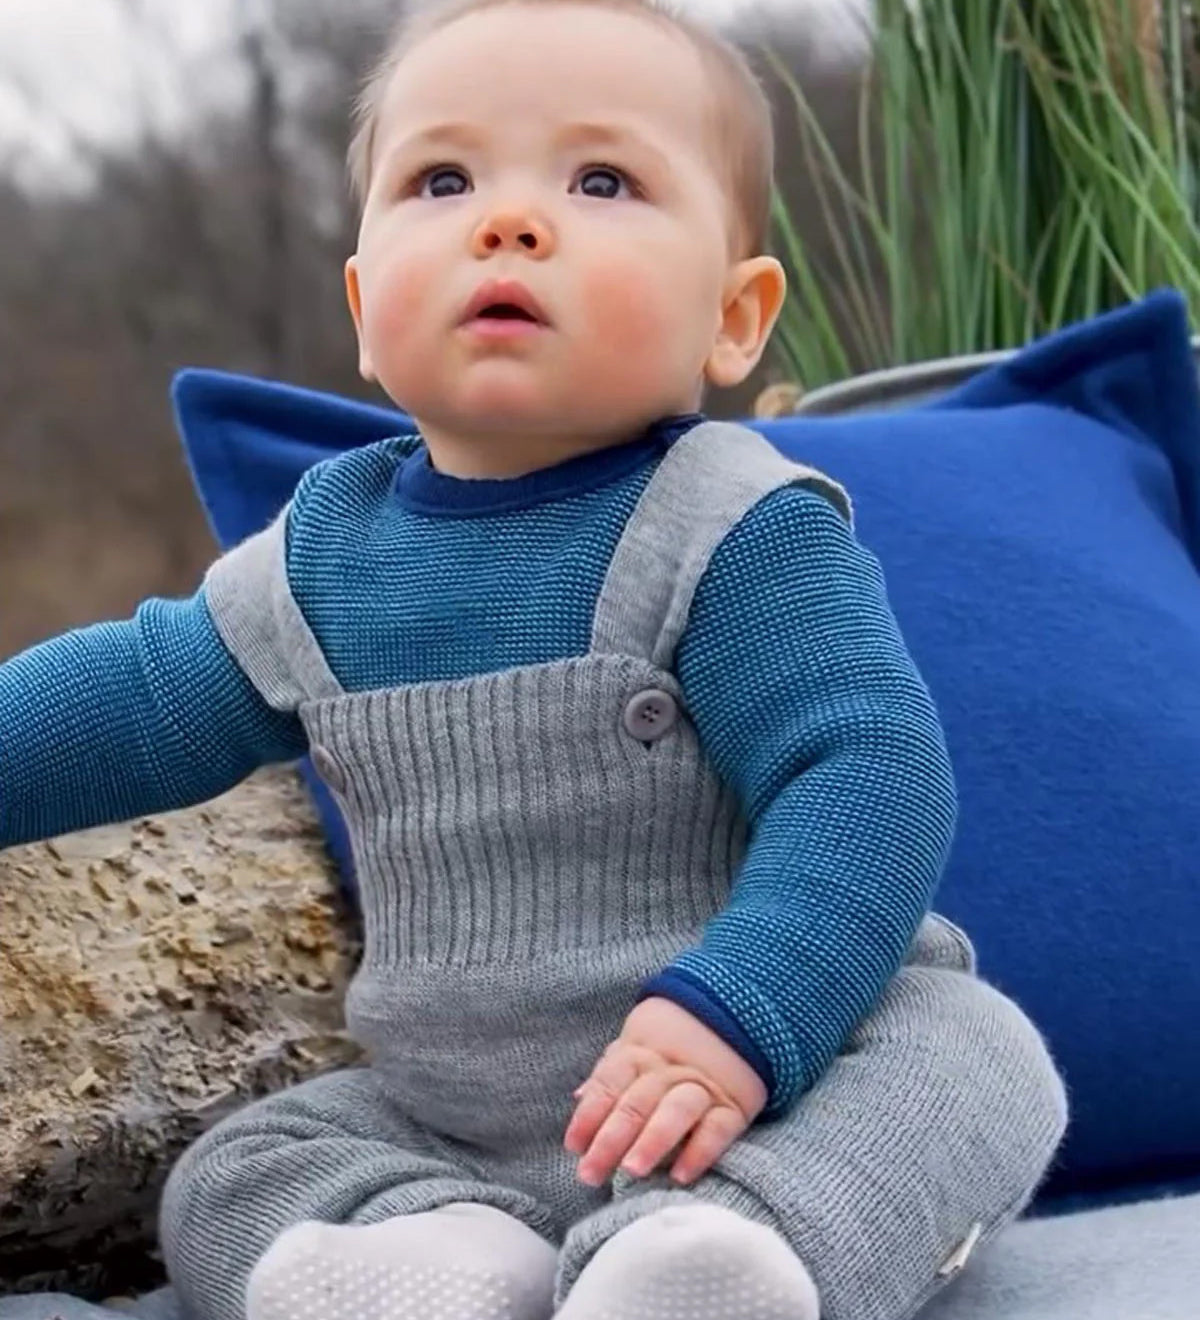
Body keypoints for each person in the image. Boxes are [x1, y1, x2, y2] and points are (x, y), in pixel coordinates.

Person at [0, 2, 1068, 1318]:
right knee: (233, 1172)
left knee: (979, 1057)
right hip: (444, 1119)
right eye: (441, 181)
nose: (508, 223)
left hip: (762, 1082)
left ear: (734, 318)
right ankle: (437, 1267)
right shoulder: (324, 557)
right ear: (361, 307)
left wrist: (742, 1017)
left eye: (602, 180)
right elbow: (134, 700)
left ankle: (728, 1263)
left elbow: (870, 775)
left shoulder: (729, 525)